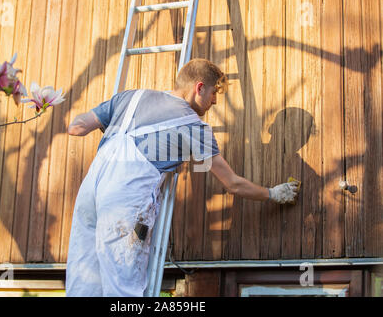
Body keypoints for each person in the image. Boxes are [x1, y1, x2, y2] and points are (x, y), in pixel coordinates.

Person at [65, 58, 300, 297]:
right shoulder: (194, 128)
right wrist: (271, 193)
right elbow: (232, 183)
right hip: (125, 205)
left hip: (89, 195)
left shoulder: (130, 97)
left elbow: (77, 127)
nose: (215, 101)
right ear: (199, 88)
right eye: (214, 93)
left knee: (84, 282)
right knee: (123, 290)